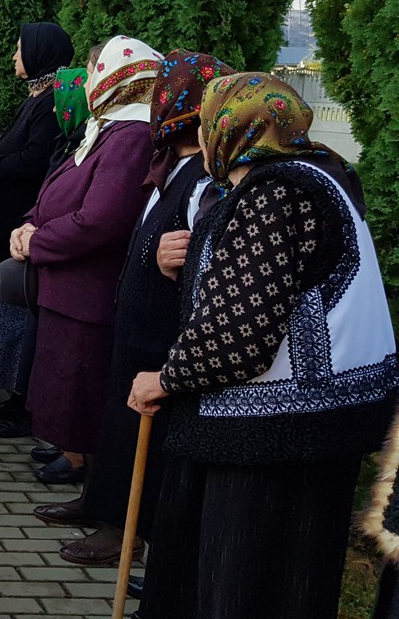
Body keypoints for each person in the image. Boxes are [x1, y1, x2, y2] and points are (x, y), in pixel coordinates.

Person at [130, 72, 398, 619]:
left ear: (227, 129)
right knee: (288, 585)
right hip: (307, 429)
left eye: (207, 126)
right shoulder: (316, 178)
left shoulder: (276, 194)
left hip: (270, 437)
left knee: (249, 588)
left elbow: (240, 332)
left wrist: (167, 378)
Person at [42, 50, 234, 568]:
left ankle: (124, 533)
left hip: (163, 333)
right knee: (114, 422)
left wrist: (185, 253)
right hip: (134, 323)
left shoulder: (204, 177)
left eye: (164, 97)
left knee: (140, 438)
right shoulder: (171, 165)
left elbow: (213, 250)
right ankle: (100, 505)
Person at [11, 35, 160, 488]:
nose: (89, 79)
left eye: (98, 69)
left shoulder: (131, 135)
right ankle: (70, 448)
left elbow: (102, 218)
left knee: (79, 377)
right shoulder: (110, 126)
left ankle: (82, 463)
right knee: (61, 372)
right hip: (67, 279)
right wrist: (29, 222)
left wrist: (39, 241)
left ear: (121, 78)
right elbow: (63, 181)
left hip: (88, 283)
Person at [0, 22, 70, 428]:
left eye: (19, 48)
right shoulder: (37, 96)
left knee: (16, 309)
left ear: (39, 53)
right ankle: (12, 394)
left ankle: (21, 399)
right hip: (9, 215)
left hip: (22, 217)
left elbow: (33, 158)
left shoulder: (49, 103)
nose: (13, 56)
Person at [48, 66, 91, 171]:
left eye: (60, 103)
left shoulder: (84, 143)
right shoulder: (67, 140)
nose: (54, 110)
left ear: (74, 102)